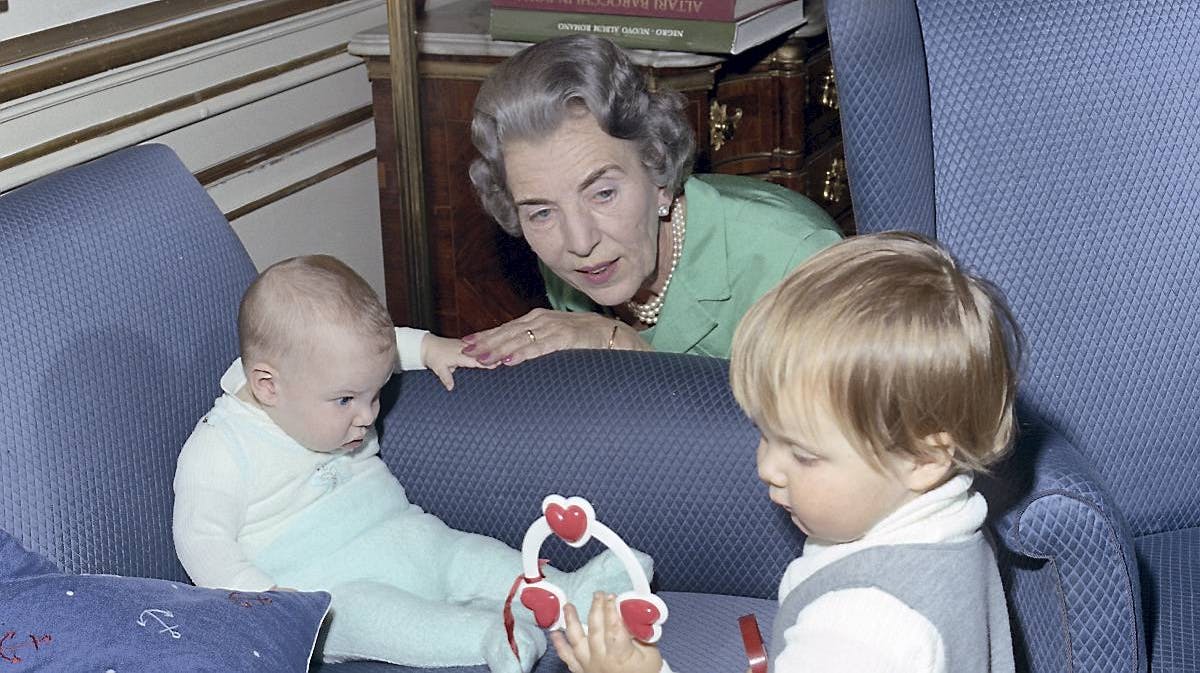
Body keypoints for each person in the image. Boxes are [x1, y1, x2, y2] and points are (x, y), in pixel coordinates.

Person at [550, 232, 1020, 673]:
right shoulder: (952, 530)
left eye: (803, 454)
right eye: (763, 432)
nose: (766, 468)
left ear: (923, 459)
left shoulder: (861, 627)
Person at [172, 255, 647, 673]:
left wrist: (429, 348)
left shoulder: (316, 374)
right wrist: (272, 603)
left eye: (375, 393)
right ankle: (486, 637)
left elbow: (373, 349)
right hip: (328, 588)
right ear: (268, 386)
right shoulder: (220, 449)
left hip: (406, 534)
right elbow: (202, 542)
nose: (368, 415)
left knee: (466, 556)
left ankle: (571, 595)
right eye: (346, 401)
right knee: (379, 618)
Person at [464, 34, 842, 365]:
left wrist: (626, 348)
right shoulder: (590, 257)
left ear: (659, 172)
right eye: (542, 212)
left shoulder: (796, 262)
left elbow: (832, 437)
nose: (580, 242)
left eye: (604, 193)